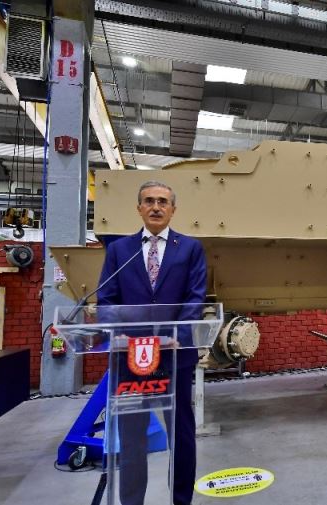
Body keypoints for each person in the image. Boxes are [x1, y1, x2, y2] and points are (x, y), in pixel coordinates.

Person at [98, 180, 207, 505]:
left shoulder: (190, 248)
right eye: (149, 201)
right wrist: (114, 332)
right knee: (132, 438)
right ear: (139, 208)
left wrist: (177, 336)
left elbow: (195, 299)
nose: (156, 207)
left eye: (162, 201)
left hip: (175, 356)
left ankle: (181, 500)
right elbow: (106, 299)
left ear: (173, 209)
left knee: (181, 434)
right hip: (131, 358)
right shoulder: (120, 250)